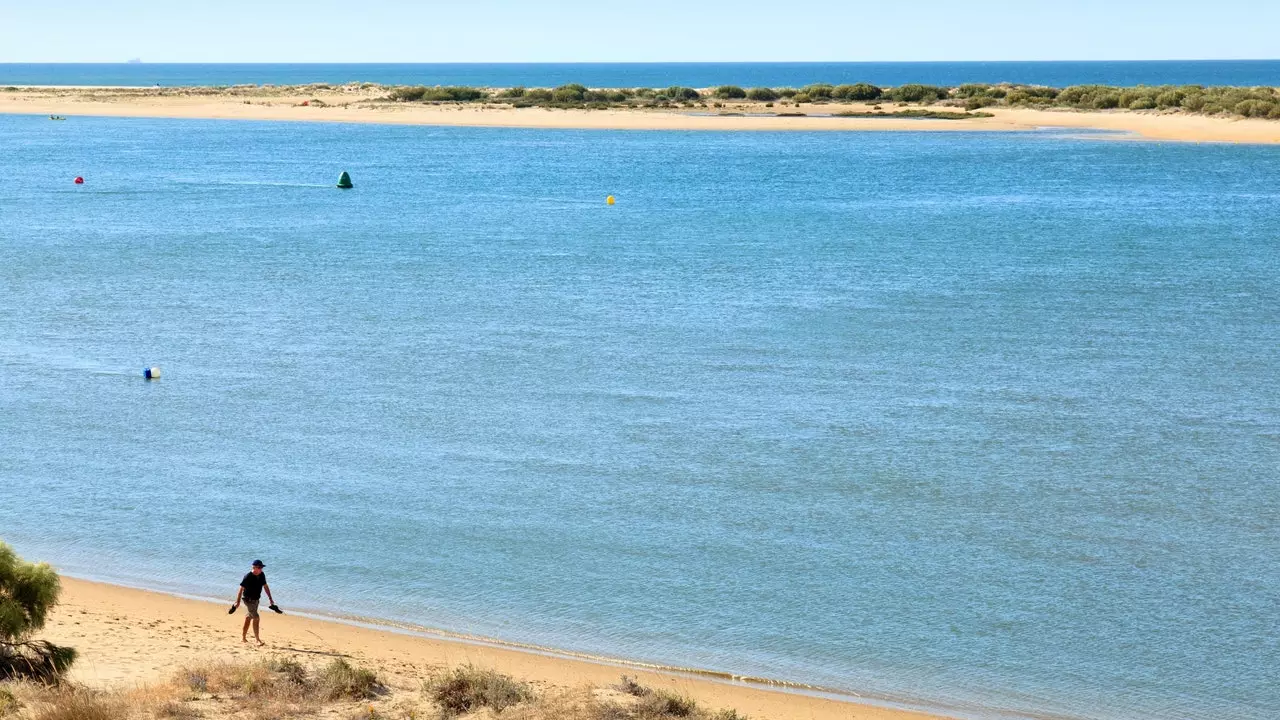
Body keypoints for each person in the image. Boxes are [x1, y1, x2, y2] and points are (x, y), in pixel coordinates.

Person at [231, 559, 276, 645]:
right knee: (256, 617)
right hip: (248, 599)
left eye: (261, 567)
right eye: (259, 567)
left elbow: (266, 587)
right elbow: (241, 589)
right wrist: (238, 602)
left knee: (249, 617)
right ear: (254, 567)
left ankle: (243, 638)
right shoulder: (248, 576)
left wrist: (270, 598)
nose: (261, 569)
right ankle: (257, 640)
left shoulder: (262, 575)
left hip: (256, 600)